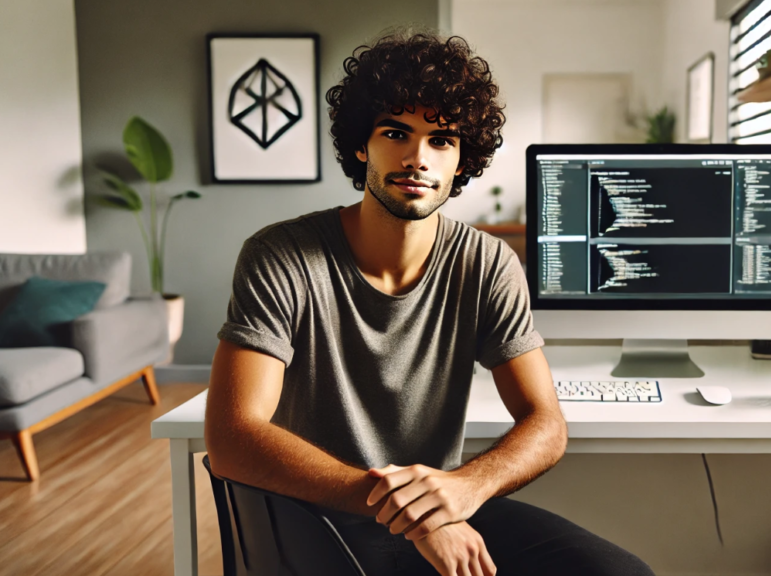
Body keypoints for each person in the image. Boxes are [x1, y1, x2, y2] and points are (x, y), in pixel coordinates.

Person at [205, 29, 656, 576]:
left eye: (441, 140)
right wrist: (415, 512)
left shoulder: (487, 264)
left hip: (443, 506)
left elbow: (546, 423)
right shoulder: (281, 255)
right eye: (397, 132)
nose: (418, 158)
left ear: (463, 161)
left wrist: (464, 490)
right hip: (317, 516)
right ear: (360, 144)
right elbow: (233, 437)